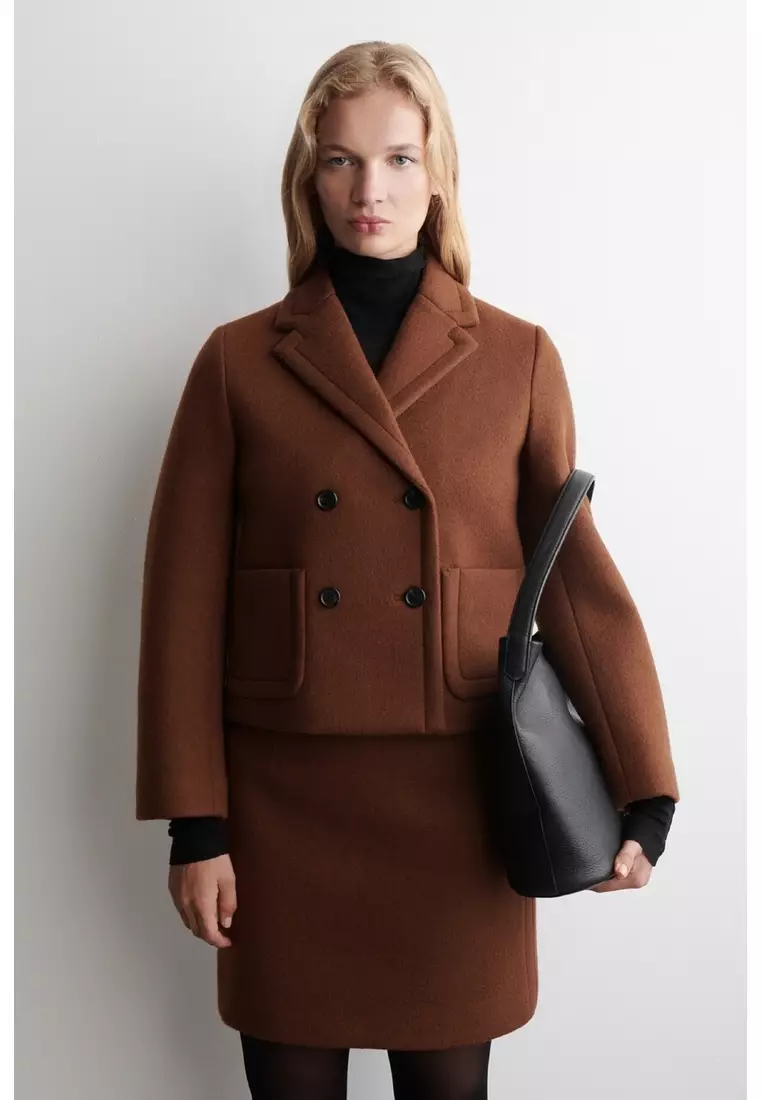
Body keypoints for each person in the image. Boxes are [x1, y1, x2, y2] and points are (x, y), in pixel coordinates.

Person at [135, 40, 680, 1100]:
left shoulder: (518, 357)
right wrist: (194, 824)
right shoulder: (237, 361)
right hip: (285, 801)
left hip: (462, 801)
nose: (368, 191)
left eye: (396, 159)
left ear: (438, 176)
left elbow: (574, 580)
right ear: (309, 179)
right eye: (340, 161)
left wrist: (644, 786)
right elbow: (182, 606)